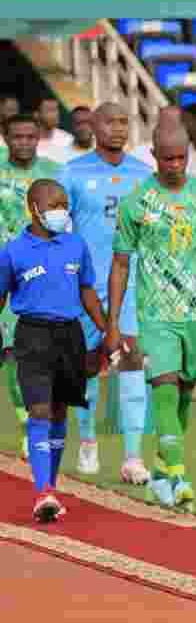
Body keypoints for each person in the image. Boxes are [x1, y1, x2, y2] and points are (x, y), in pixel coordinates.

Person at [107, 124, 196, 511]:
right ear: (154, 156)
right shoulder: (136, 202)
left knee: (186, 391)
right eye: (167, 158)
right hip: (155, 313)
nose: (175, 165)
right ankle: (177, 471)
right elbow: (121, 265)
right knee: (164, 384)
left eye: (181, 158)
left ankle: (159, 471)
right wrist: (112, 323)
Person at [0, 179, 106, 522]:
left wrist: (109, 329)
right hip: (32, 335)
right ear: (34, 209)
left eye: (64, 205)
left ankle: (50, 486)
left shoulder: (76, 245)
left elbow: (87, 290)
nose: (61, 212)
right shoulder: (13, 251)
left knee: (60, 411)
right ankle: (43, 490)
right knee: (40, 410)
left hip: (69, 335)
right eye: (54, 206)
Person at [59, 102, 154, 484]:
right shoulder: (73, 172)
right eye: (110, 122)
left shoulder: (143, 175)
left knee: (131, 366)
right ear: (93, 126)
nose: (118, 129)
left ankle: (133, 456)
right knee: (86, 368)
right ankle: (86, 441)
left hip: (129, 288)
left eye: (123, 122)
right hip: (85, 289)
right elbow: (57, 227)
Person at [0, 114, 61, 459]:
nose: (24, 142)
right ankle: (29, 424)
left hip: (41, 273)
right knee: (12, 351)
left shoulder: (53, 173)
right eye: (17, 137)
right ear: (5, 138)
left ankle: (36, 422)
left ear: (38, 137)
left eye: (30, 136)